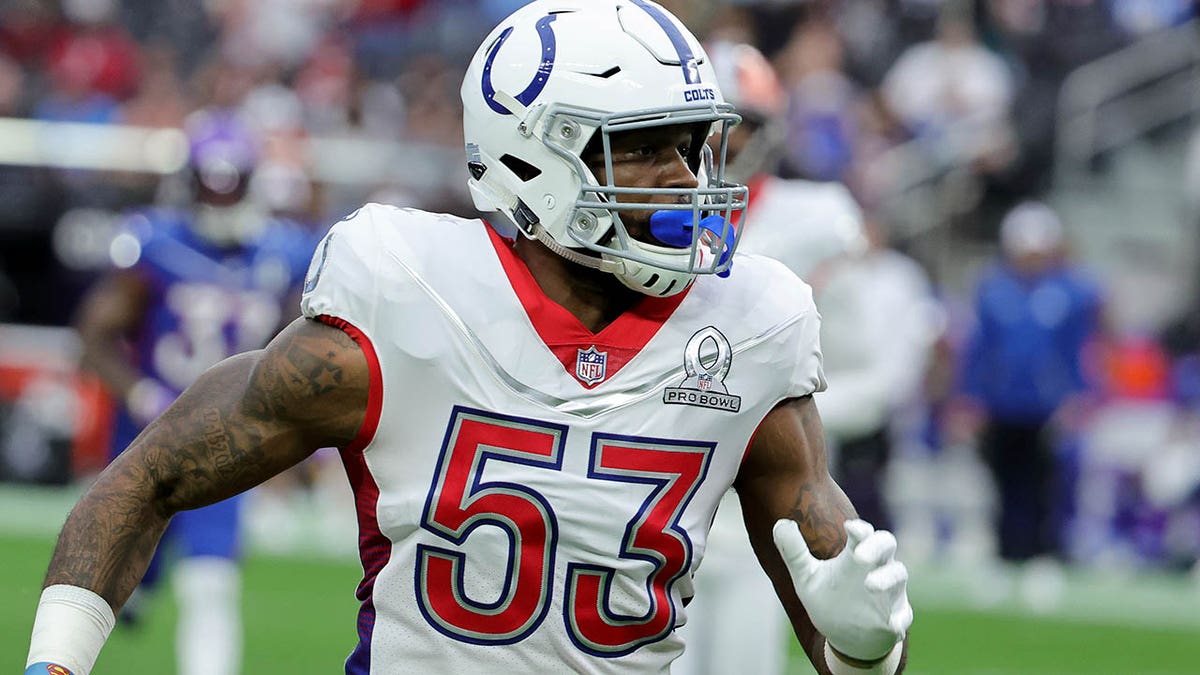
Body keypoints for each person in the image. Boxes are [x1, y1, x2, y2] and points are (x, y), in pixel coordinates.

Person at [26, 3, 911, 675]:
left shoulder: (751, 324)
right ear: (534, 159)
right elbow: (149, 478)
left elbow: (842, 636)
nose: (687, 181)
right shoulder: (408, 293)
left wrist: (868, 649)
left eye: (695, 147)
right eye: (645, 149)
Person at [675, 41, 929, 675]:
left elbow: (873, 375)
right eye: (706, 128)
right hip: (659, 489)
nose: (723, 146)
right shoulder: (643, 212)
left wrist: (762, 411)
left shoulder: (817, 219)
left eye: (741, 127)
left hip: (766, 504)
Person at [68, 109, 318, 675]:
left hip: (228, 433)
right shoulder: (154, 243)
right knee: (118, 574)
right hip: (150, 430)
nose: (222, 201)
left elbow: (299, 343)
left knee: (210, 580)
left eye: (233, 189)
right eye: (211, 187)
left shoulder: (282, 252)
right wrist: (138, 394)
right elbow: (94, 332)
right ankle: (138, 593)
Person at [957, 201, 1104, 566]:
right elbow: (979, 349)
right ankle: (1006, 552)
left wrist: (1078, 396)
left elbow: (1078, 350)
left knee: (1045, 483)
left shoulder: (1071, 292)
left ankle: (1043, 554)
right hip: (1002, 403)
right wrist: (969, 398)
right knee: (1002, 480)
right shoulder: (993, 290)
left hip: (1047, 406)